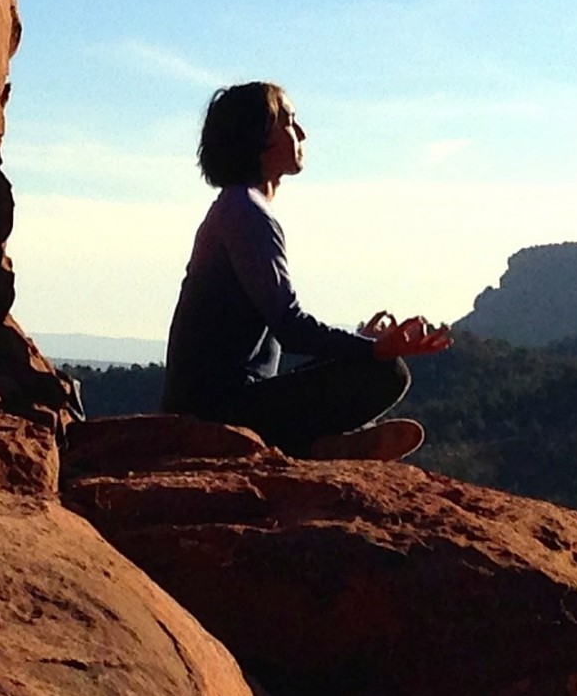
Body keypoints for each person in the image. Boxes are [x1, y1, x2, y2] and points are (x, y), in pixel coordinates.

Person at [160, 81, 452, 460]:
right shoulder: (245, 213)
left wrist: (357, 346)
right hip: (217, 413)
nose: (302, 133)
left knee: (365, 361)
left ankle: (320, 444)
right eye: (289, 121)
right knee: (386, 373)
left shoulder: (236, 208)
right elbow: (292, 327)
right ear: (259, 136)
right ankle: (313, 447)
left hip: (217, 402)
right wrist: (376, 348)